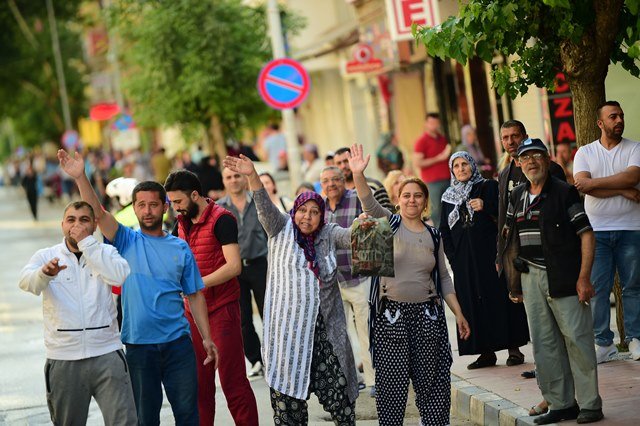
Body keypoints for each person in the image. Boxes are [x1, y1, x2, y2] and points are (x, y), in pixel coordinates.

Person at [58, 150, 217, 426]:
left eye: (153, 205)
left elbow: (194, 295)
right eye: (140, 205)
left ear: (164, 207)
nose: (147, 210)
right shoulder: (126, 240)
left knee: (189, 416)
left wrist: (206, 338)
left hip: (178, 344)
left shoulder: (180, 247)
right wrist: (81, 176)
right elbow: (98, 212)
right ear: (134, 208)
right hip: (139, 347)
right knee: (145, 419)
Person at [223, 154, 359, 426]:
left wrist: (365, 217)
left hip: (325, 336)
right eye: (303, 210)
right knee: (289, 413)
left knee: (342, 406)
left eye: (314, 212)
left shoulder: (328, 233)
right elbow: (262, 203)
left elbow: (354, 235)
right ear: (294, 211)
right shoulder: (280, 227)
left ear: (322, 216)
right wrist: (252, 176)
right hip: (288, 339)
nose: (307, 216)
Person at [347, 143, 470, 425]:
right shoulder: (387, 225)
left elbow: (443, 278)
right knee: (392, 392)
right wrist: (358, 174)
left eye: (417, 196)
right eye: (406, 196)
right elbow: (367, 201)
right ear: (398, 199)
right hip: (392, 319)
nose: (412, 200)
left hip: (428, 318)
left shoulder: (434, 234)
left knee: (434, 388)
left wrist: (459, 314)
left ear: (425, 202)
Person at [503, 138, 603, 424]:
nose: (531, 161)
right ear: (518, 164)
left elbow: (586, 234)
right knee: (544, 344)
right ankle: (561, 404)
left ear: (547, 161)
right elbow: (510, 239)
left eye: (537, 156)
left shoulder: (564, 193)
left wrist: (584, 278)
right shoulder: (516, 195)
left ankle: (590, 405)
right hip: (529, 278)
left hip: (564, 276)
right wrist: (514, 283)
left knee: (577, 340)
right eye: (525, 157)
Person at [19, 201, 137, 425]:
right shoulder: (47, 255)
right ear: (62, 224)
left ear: (94, 225)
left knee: (125, 421)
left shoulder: (105, 252)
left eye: (84, 220)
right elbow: (27, 283)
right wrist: (44, 274)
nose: (77, 225)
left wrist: (87, 244)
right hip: (64, 358)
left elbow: (119, 276)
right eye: (71, 220)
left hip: (107, 353)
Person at [164, 170, 258, 425]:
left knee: (232, 382)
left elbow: (234, 266)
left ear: (195, 195)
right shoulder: (179, 224)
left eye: (179, 202)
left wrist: (196, 284)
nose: (175, 208)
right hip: (191, 314)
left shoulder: (222, 220)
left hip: (222, 309)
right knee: (199, 386)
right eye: (172, 203)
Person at [440, 152, 529, 369]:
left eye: (464, 164)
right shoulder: (447, 197)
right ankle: (485, 352)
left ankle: (514, 348)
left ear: (472, 165)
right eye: (456, 166)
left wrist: (485, 205)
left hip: (490, 255)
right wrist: (453, 258)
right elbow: (445, 229)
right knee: (473, 302)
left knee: (501, 298)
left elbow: (504, 216)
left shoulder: (488, 187)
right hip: (464, 261)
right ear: (452, 170)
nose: (461, 169)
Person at [573, 100, 640, 363]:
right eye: (613, 116)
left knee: (633, 286)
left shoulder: (635, 148)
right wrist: (622, 190)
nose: (619, 120)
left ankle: (635, 339)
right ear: (600, 123)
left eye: (621, 116)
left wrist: (594, 183)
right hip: (596, 231)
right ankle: (603, 344)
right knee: (598, 288)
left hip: (632, 228)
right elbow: (582, 186)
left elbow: (631, 178)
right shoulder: (585, 152)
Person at [321, 165, 375, 395]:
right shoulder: (318, 207)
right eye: (326, 181)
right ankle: (349, 381)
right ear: (321, 184)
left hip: (359, 276)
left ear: (343, 181)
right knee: (339, 334)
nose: (331, 184)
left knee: (367, 330)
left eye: (335, 179)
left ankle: (374, 381)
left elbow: (371, 218)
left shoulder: (355, 199)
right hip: (332, 281)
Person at [217, 167, 269, 380]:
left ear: (244, 178)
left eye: (237, 176)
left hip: (260, 264)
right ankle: (256, 359)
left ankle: (275, 357)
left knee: (270, 312)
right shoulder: (218, 209)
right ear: (224, 181)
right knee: (243, 318)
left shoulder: (258, 202)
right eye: (228, 177)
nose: (233, 180)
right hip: (233, 269)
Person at [413, 113, 452, 227]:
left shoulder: (442, 138)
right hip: (432, 182)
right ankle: (440, 237)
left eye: (436, 123)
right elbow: (417, 163)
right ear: (426, 124)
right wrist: (438, 158)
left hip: (447, 179)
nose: (434, 126)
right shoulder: (421, 141)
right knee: (436, 211)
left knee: (450, 208)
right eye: (431, 123)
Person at [334, 146, 392, 210]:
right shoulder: (336, 191)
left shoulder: (374, 185)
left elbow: (387, 216)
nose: (343, 166)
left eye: (346, 161)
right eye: (339, 163)